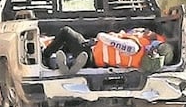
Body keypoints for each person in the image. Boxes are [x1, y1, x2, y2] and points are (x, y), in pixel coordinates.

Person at [41, 26, 172, 74]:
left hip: (90, 53)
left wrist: (101, 35)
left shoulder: (135, 47)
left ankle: (46, 56)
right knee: (69, 53)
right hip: (96, 60)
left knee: (66, 32)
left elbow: (107, 40)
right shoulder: (141, 61)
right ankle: (66, 65)